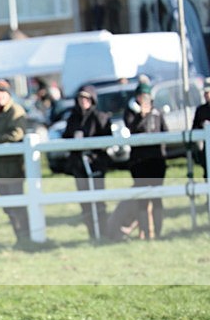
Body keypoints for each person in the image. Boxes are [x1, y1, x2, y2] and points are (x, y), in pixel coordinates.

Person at [62, 85, 112, 240]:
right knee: (85, 202)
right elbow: (66, 137)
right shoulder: (73, 118)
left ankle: (103, 232)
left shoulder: (100, 117)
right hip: (79, 166)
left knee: (98, 201)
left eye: (86, 98)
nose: (83, 101)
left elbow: (106, 140)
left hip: (95, 165)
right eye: (80, 98)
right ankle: (92, 233)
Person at [0, 79, 29, 244]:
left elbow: (17, 134)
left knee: (18, 204)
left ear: (8, 94)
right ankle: (19, 236)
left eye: (2, 93)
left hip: (13, 168)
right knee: (7, 207)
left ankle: (26, 235)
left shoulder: (15, 111)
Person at [123, 81, 168, 239]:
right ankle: (144, 231)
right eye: (141, 96)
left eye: (146, 96)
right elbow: (131, 131)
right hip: (139, 161)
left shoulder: (157, 112)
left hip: (156, 160)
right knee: (142, 198)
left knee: (157, 197)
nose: (144, 99)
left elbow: (165, 132)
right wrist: (142, 115)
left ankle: (158, 231)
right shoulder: (130, 113)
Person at [190, 77, 210, 180]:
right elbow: (194, 129)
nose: (207, 95)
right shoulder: (201, 110)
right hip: (207, 152)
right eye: (205, 92)